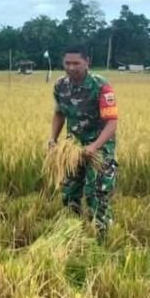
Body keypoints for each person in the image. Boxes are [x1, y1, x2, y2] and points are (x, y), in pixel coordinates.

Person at [49, 44, 118, 236]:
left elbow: (111, 123)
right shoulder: (60, 86)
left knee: (96, 193)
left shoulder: (101, 86)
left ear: (87, 62)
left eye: (76, 63)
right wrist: (52, 139)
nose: (71, 67)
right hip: (72, 148)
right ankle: (73, 232)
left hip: (100, 146)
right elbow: (59, 114)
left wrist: (94, 146)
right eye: (67, 63)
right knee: (70, 191)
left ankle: (102, 236)